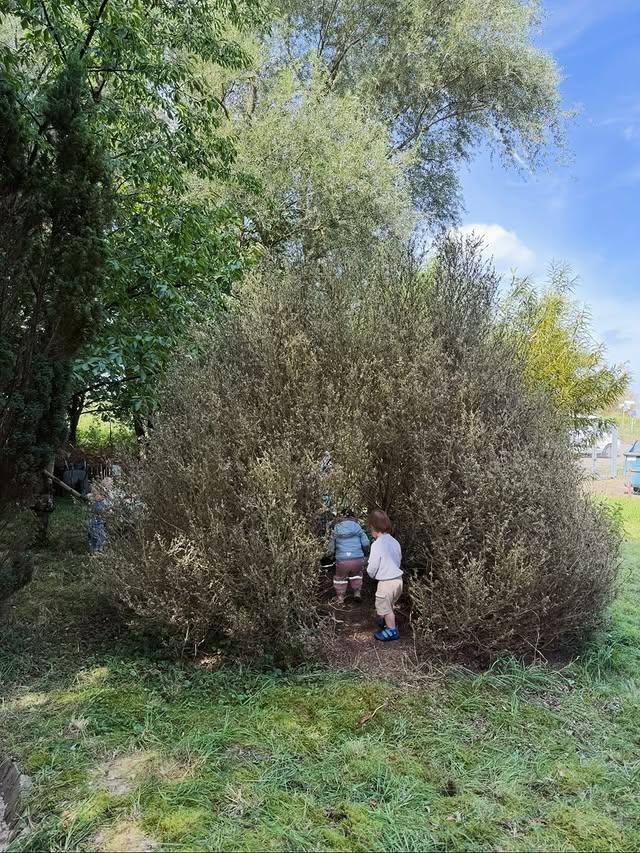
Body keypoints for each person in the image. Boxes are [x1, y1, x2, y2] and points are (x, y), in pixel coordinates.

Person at [366, 509, 403, 641]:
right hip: (398, 581)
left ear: (373, 528)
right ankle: (386, 622)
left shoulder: (377, 545)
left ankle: (392, 630)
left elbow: (373, 565)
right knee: (389, 604)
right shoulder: (395, 542)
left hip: (386, 582)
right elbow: (398, 559)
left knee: (385, 608)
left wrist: (371, 573)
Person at [327, 508, 370, 605]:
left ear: (341, 517)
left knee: (340, 578)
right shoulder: (358, 528)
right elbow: (366, 543)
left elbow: (331, 546)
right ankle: (357, 593)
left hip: (342, 559)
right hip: (357, 559)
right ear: (354, 517)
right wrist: (366, 552)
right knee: (357, 575)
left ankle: (340, 597)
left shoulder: (336, 528)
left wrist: (330, 554)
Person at [87, 476, 114, 554]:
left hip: (100, 522)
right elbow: (102, 510)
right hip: (95, 523)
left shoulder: (107, 497)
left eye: (110, 485)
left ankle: (95, 551)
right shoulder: (96, 500)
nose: (109, 487)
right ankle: (97, 552)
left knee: (98, 537)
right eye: (107, 485)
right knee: (99, 537)